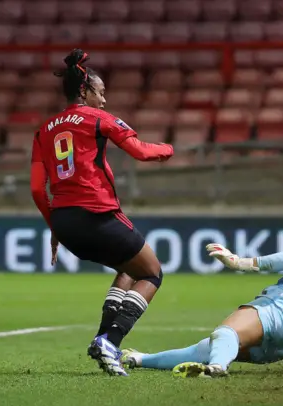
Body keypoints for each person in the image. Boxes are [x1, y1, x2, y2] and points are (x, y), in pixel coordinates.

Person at [30, 49, 174, 376]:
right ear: (85, 91)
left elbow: (39, 189)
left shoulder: (43, 130)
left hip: (66, 224)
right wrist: (168, 149)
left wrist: (55, 226)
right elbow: (140, 151)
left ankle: (102, 340)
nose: (104, 101)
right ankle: (111, 340)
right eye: (101, 93)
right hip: (96, 213)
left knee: (128, 268)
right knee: (152, 272)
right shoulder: (98, 119)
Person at [121, 186, 283, 377]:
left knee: (225, 334)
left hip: (280, 311)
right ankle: (142, 359)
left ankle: (216, 369)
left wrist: (238, 262)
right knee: (210, 347)